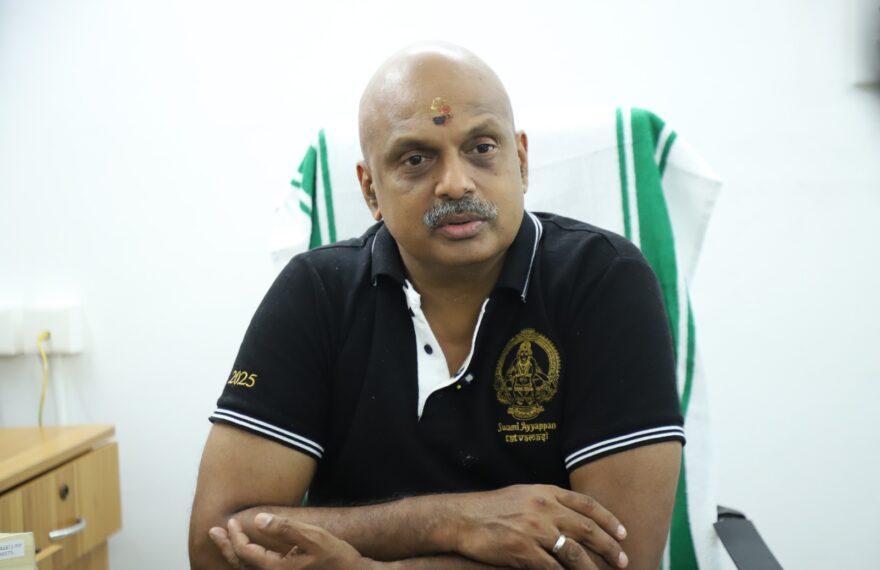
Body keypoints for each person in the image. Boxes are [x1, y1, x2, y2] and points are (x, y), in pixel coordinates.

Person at [189, 43, 685, 570]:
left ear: (520, 161)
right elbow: (215, 542)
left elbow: (621, 560)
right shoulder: (316, 292)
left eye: (482, 148)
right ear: (370, 190)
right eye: (416, 159)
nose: (455, 183)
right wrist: (454, 520)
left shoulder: (602, 279)